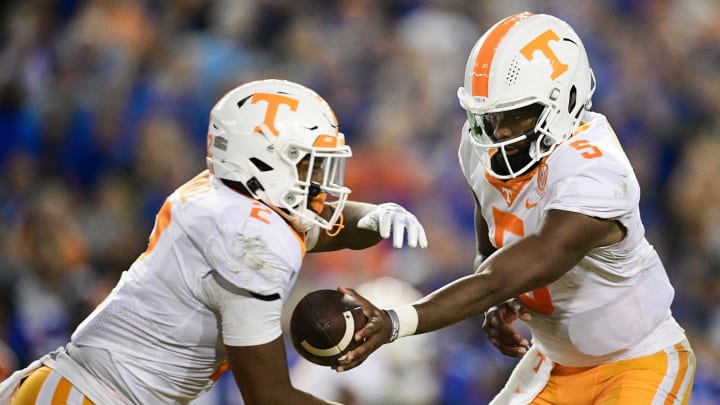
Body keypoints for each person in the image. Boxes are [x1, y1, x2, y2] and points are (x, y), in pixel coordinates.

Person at [337, 12, 696, 405]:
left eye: (517, 115)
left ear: (566, 100)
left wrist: (395, 321)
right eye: (491, 118)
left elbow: (511, 270)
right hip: (554, 363)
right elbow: (492, 238)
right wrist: (496, 300)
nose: (500, 133)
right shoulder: (483, 144)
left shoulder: (596, 170)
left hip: (638, 361)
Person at [0, 79, 428, 404]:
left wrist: (374, 216)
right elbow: (270, 398)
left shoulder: (223, 194)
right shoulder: (248, 243)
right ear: (260, 160)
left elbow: (310, 222)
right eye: (304, 163)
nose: (318, 180)